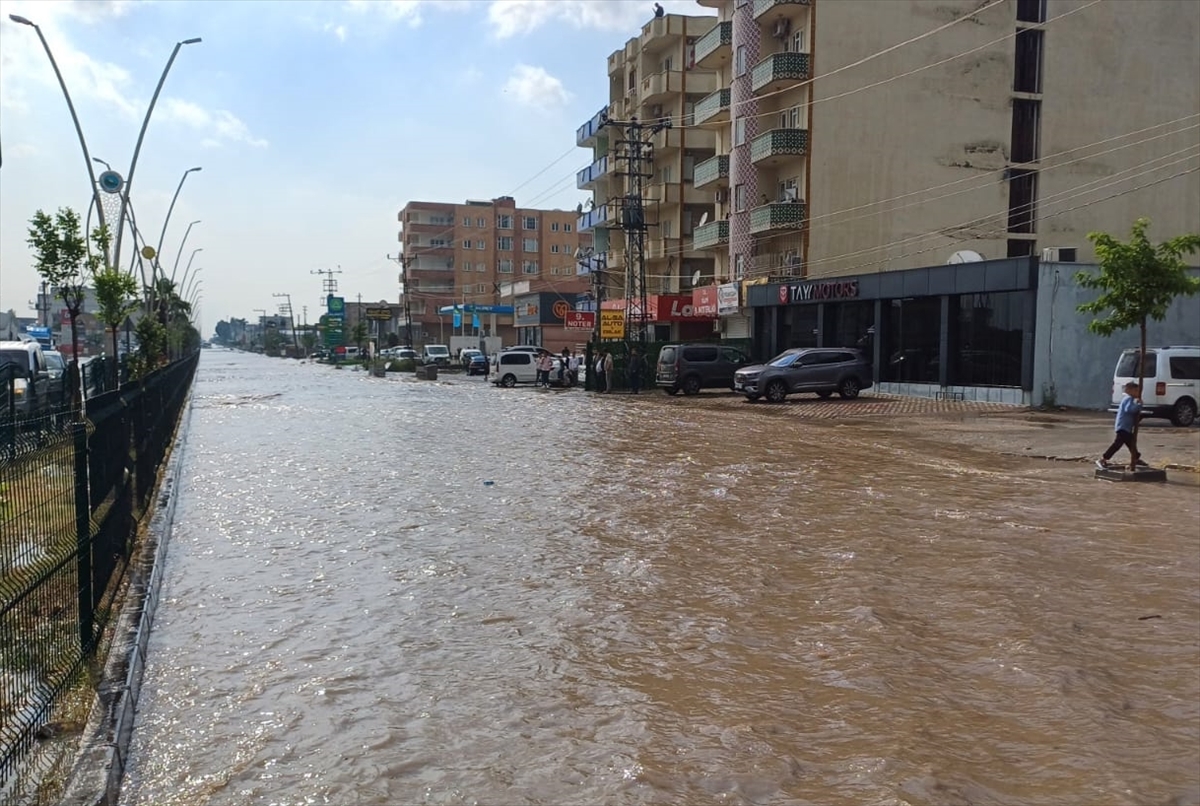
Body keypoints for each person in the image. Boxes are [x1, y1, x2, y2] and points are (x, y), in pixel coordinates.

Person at [1097, 381, 1145, 470]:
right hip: (1123, 427)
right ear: (1130, 391)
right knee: (1118, 444)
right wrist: (1139, 405)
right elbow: (1129, 410)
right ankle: (1103, 459)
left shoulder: (1129, 399)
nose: (1138, 393)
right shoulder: (1128, 398)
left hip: (1126, 428)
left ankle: (1136, 458)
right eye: (1136, 391)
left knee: (1131, 444)